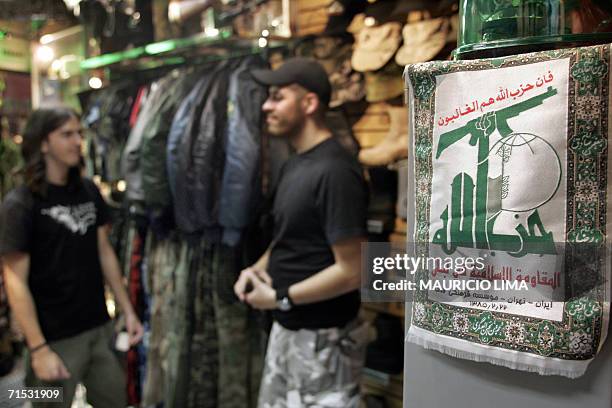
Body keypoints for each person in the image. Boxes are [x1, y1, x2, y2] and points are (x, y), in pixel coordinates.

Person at [234, 57, 369, 407]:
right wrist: (257, 269)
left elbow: (353, 271)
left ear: (309, 103)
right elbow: (288, 236)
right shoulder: (295, 163)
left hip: (323, 339)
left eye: (277, 97)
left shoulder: (336, 172)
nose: (266, 106)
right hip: (288, 330)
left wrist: (281, 296)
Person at [0, 106, 144, 407]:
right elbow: (15, 281)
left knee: (115, 398)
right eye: (66, 134)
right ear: (43, 142)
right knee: (44, 401)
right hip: (54, 338)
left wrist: (126, 309)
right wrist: (38, 349)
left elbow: (104, 252)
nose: (78, 141)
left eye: (79, 133)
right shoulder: (21, 203)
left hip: (98, 328)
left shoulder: (88, 191)